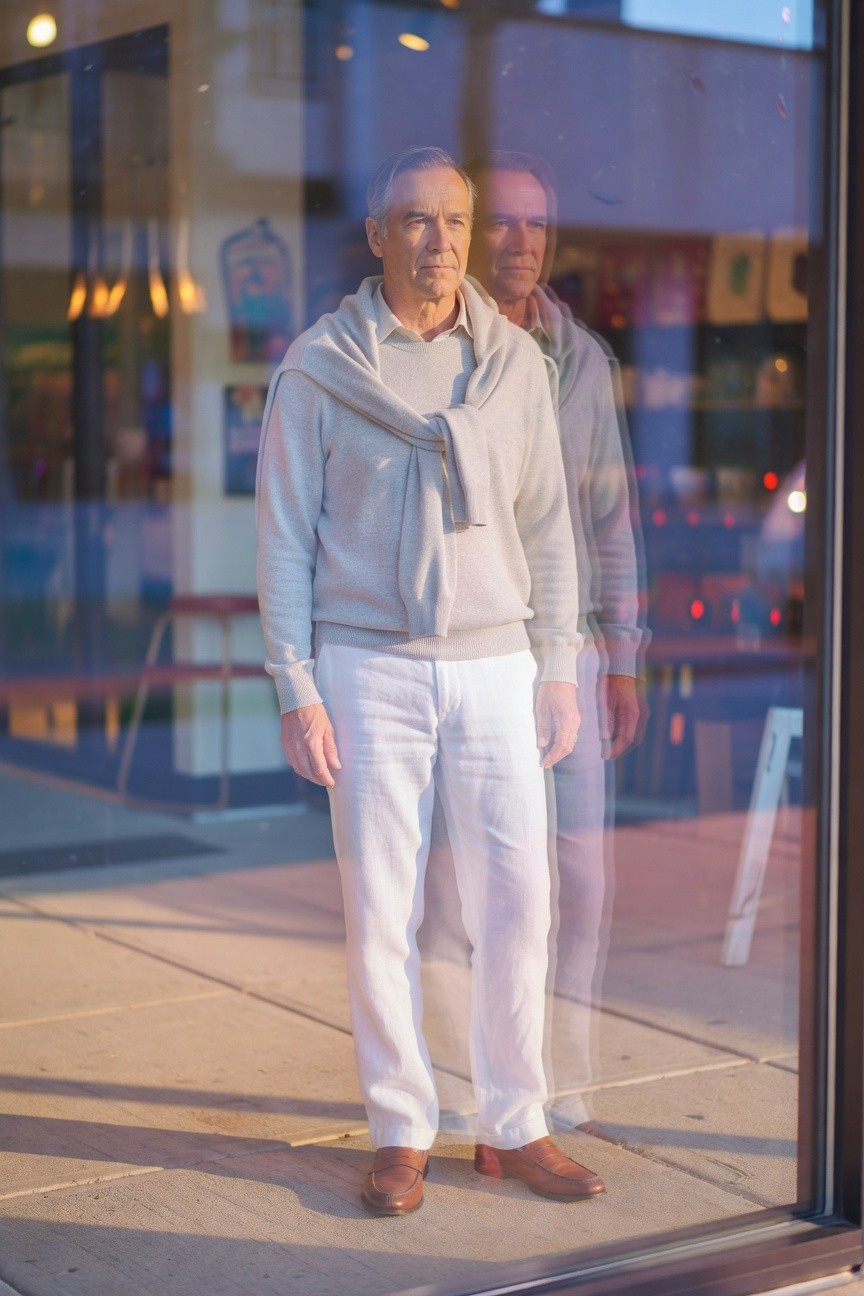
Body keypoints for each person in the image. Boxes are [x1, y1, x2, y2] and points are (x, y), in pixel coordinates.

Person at [256, 146, 606, 1215]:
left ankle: (517, 1122)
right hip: (370, 669)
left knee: (521, 904)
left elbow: (549, 530)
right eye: (417, 220)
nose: (442, 241)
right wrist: (295, 684)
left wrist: (558, 665)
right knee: (383, 912)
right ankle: (402, 1129)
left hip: (498, 664)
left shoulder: (515, 369)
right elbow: (281, 541)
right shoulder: (320, 368)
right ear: (377, 236)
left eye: (454, 222)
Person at [421, 151, 647, 1136]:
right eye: (502, 224)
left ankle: (565, 1073)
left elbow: (609, 519)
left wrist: (624, 656)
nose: (520, 243)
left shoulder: (583, 358)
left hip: (571, 655)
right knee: (458, 884)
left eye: (536, 226)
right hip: (471, 649)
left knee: (580, 879)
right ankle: (462, 1092)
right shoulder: (437, 346)